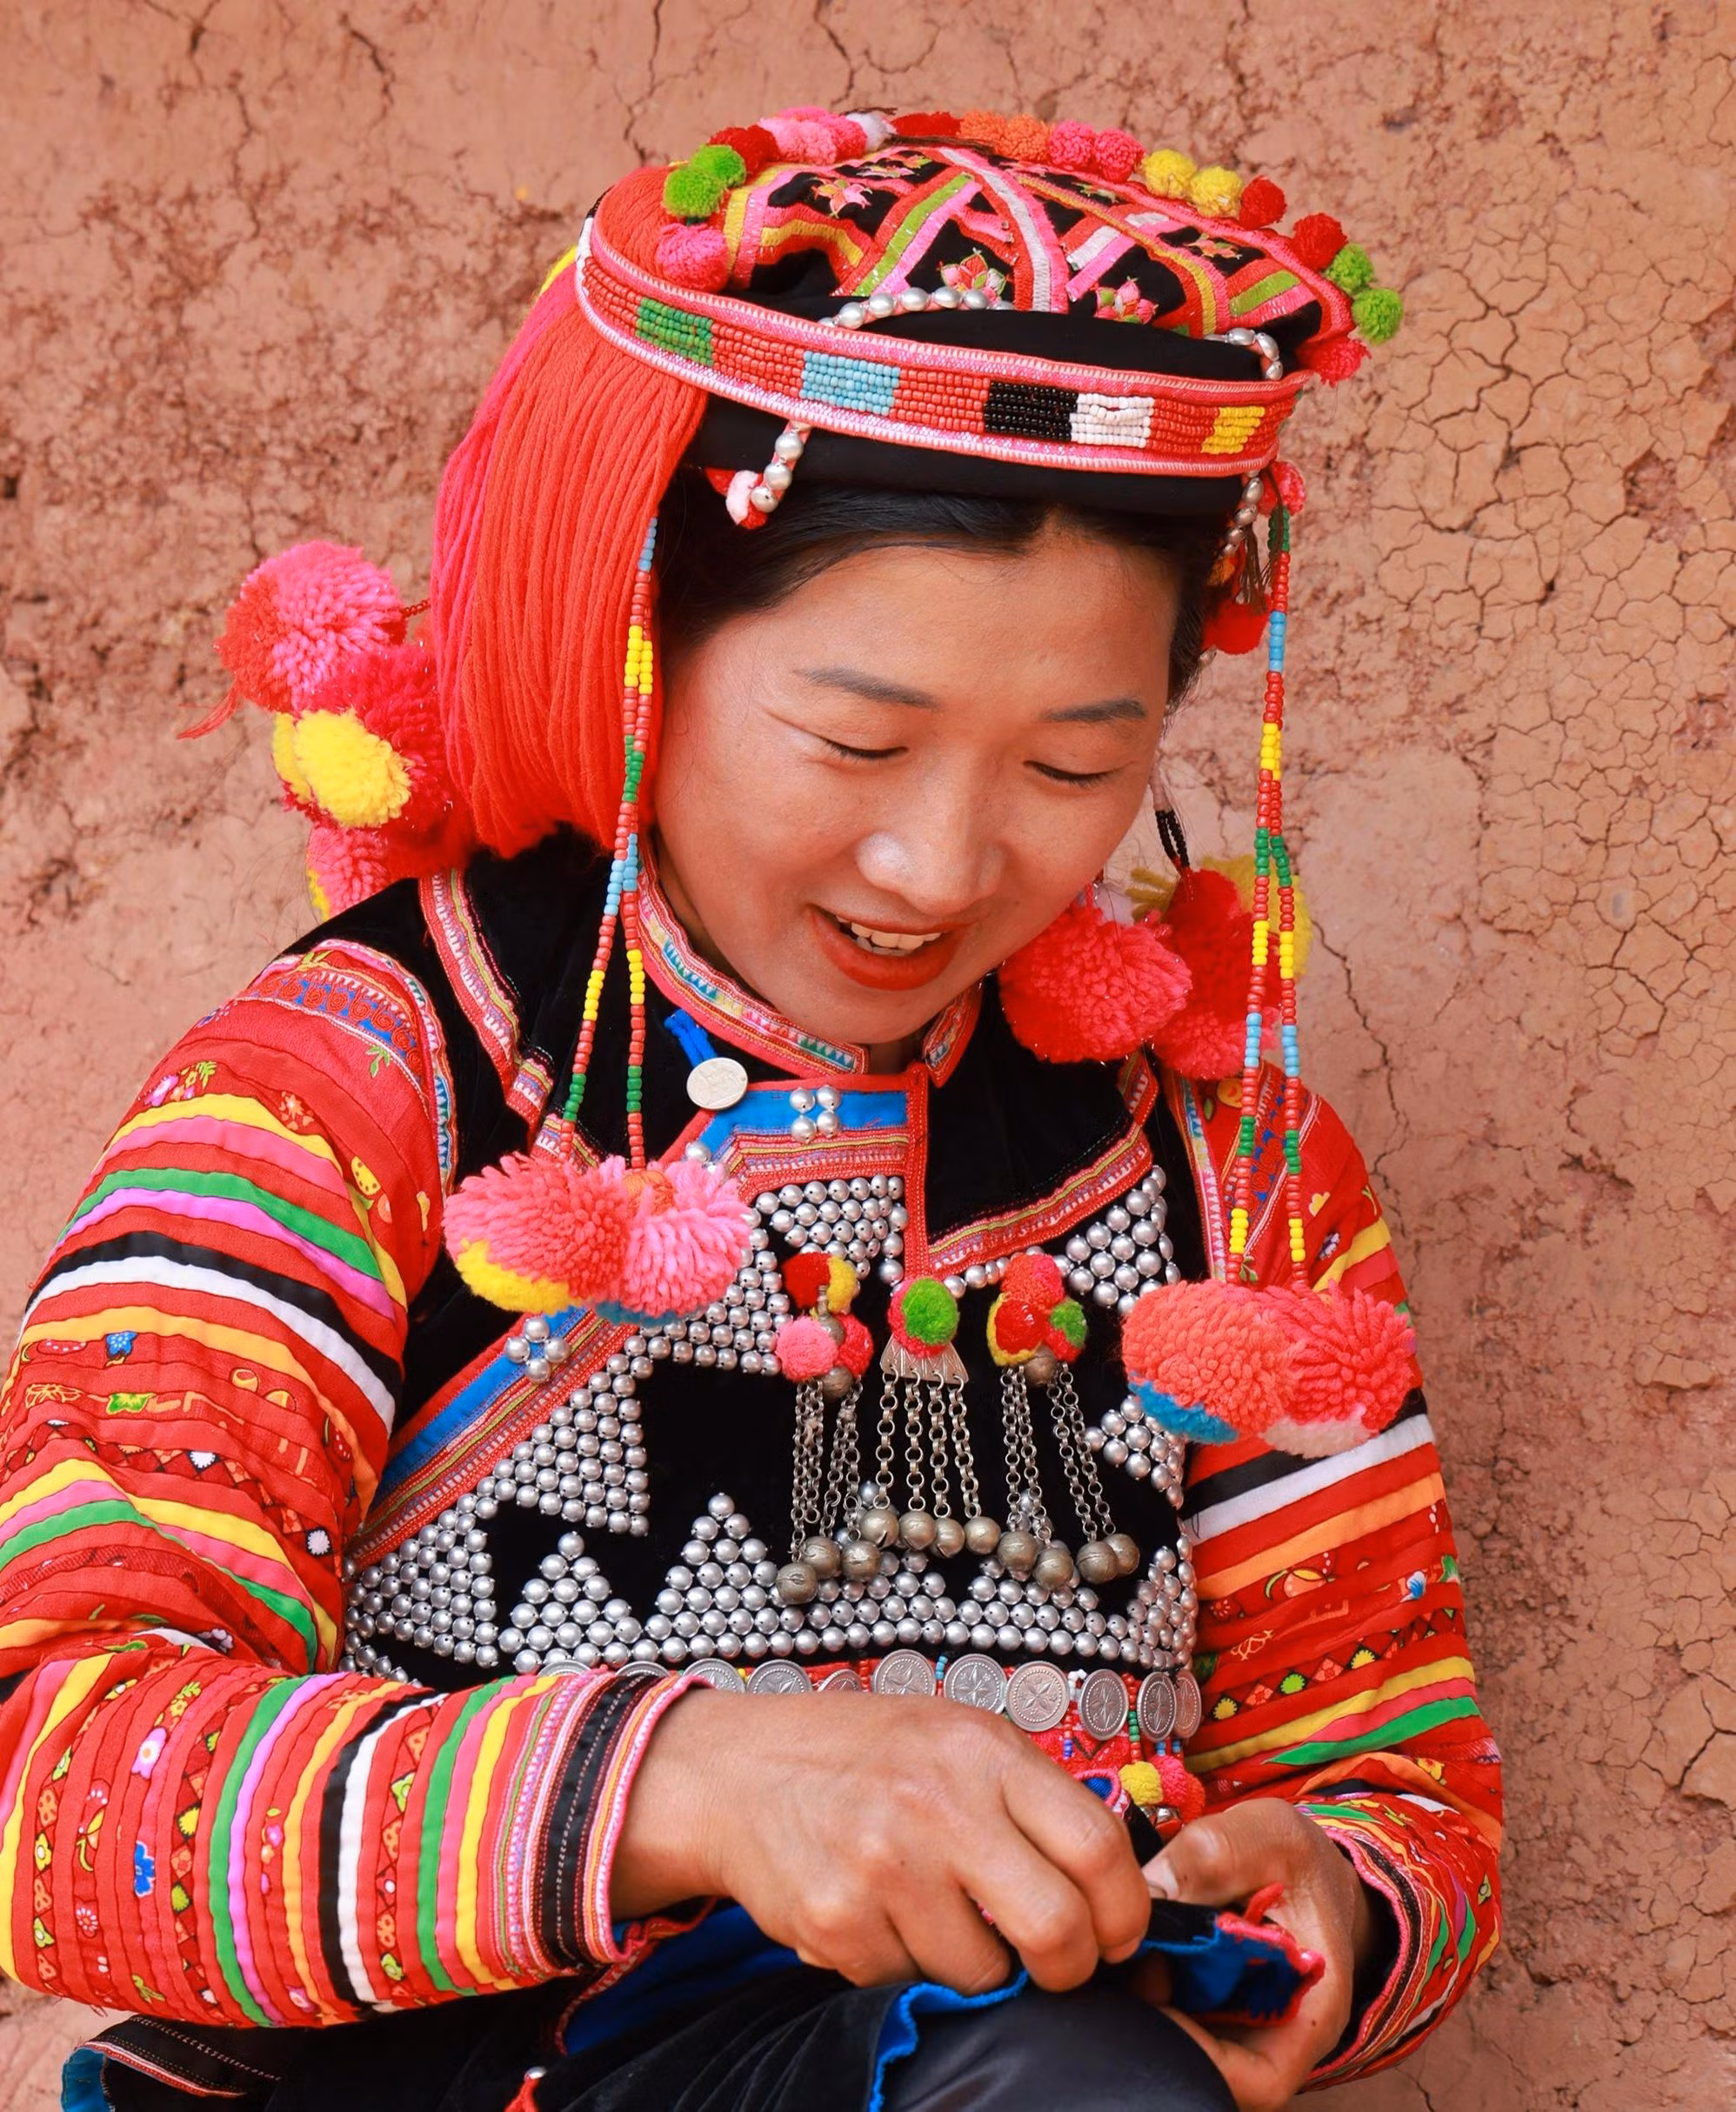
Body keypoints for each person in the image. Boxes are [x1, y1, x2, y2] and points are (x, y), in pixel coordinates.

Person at [0, 104, 1500, 2112]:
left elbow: (1394, 1781)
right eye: (853, 739)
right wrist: (691, 1781)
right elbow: (57, 1772)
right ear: (637, 649)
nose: (937, 863)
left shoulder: (1229, 1175)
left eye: (1072, 767)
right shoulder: (365, 1079)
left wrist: (1332, 1900)